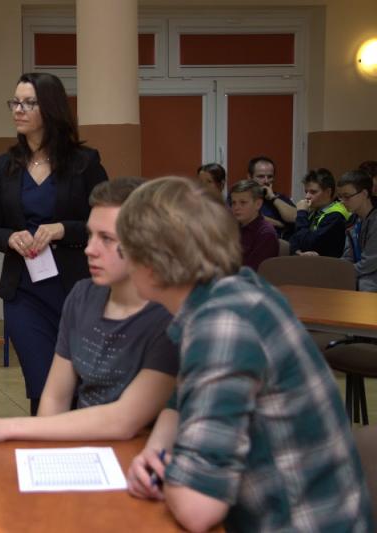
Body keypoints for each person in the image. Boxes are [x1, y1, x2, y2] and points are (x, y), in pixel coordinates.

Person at [118, 177, 372, 532]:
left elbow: (197, 508)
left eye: (124, 250)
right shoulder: (233, 291)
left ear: (152, 263)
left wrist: (168, 471)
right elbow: (182, 401)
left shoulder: (223, 324)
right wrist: (156, 452)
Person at [0, 178, 178, 443]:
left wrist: (6, 427)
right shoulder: (83, 295)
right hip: (83, 452)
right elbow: (55, 397)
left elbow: (123, 421)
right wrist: (44, 454)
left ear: (147, 243)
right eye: (90, 235)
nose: (90, 249)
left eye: (106, 239)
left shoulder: (169, 316)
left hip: (137, 456)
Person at [0, 72, 109, 415]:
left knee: (78, 383)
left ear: (50, 109)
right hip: (24, 292)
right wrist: (10, 237)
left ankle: (79, 442)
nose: (18, 110)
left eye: (28, 103)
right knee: (42, 382)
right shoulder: (5, 165)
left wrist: (62, 229)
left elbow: (109, 222)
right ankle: (46, 442)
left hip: (74, 289)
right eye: (15, 102)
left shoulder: (85, 162)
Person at [289, 168, 350, 256]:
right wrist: (298, 252)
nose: (307, 196)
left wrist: (301, 213)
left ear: (328, 192)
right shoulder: (315, 211)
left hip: (330, 263)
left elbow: (309, 244)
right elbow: (294, 239)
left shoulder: (336, 216)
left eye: (313, 192)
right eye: (306, 192)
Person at [338, 169, 377, 291]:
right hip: (359, 275)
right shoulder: (353, 221)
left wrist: (341, 273)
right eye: (340, 197)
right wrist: (334, 268)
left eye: (347, 197)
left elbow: (368, 263)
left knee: (365, 284)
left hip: (371, 279)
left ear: (364, 194)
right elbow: (348, 258)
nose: (342, 202)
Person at [229, 179, 279, 270]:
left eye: (243, 202)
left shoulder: (266, 234)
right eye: (233, 203)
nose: (236, 208)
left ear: (258, 204)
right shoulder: (231, 228)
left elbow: (252, 273)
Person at [247, 155, 296, 237]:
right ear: (250, 177)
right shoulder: (240, 197)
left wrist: (273, 198)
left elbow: (295, 217)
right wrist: (279, 224)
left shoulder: (280, 198)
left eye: (270, 177)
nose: (266, 181)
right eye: (261, 176)